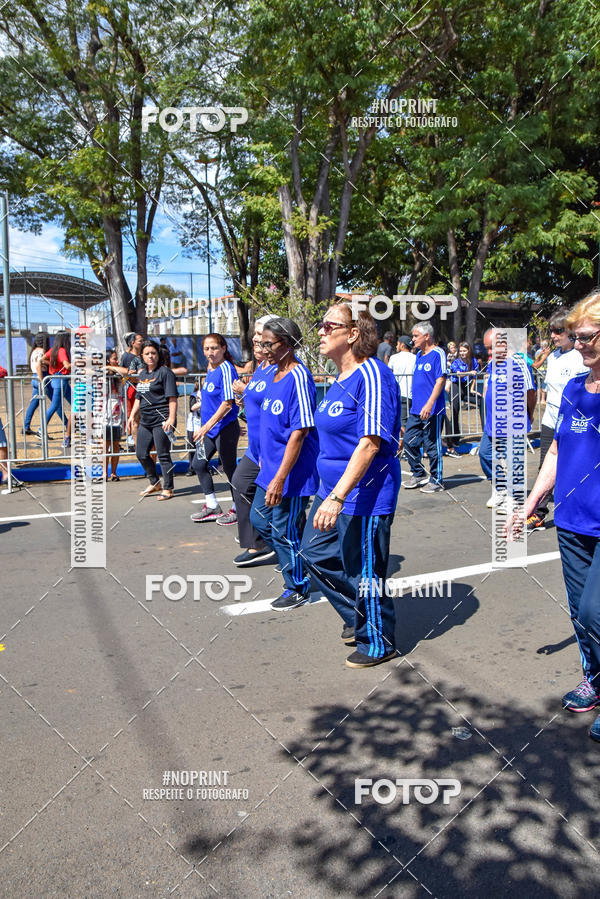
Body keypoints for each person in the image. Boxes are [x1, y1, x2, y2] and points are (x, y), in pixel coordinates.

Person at [519, 290, 600, 741]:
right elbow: (555, 449)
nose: (579, 343)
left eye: (587, 335)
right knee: (579, 612)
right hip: (571, 520)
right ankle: (595, 678)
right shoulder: (572, 387)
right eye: (576, 335)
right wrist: (531, 505)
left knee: (596, 609)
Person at [301, 301, 401, 667]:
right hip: (330, 490)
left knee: (365, 570)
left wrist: (338, 497)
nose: (321, 332)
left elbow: (370, 442)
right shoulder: (337, 379)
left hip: (363, 493)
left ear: (354, 334)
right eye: (321, 325)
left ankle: (378, 639)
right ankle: (358, 613)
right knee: (313, 555)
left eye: (329, 326)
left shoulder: (371, 374)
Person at [249, 318, 319, 609]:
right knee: (258, 519)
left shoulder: (299, 377)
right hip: (270, 469)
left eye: (269, 343)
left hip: (290, 474)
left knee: (282, 530)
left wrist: (279, 477)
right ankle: (299, 558)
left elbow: (299, 431)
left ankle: (298, 586)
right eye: (262, 343)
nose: (263, 349)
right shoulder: (273, 373)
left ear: (288, 344)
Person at [526, 310, 588, 530]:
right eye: (551, 331)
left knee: (575, 467)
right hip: (551, 420)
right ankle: (538, 513)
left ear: (571, 332)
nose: (553, 335)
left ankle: (579, 510)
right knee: (545, 466)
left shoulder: (581, 357)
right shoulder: (553, 356)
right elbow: (538, 371)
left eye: (558, 331)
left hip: (574, 422)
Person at [230, 315, 277, 566]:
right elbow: (258, 400)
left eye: (262, 333)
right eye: (255, 334)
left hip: (272, 449)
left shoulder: (281, 367)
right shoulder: (260, 367)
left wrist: (244, 391)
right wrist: (243, 402)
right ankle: (257, 543)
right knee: (239, 483)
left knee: (272, 507)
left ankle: (284, 546)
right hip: (255, 447)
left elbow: (275, 399)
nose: (257, 338)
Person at [479, 328, 536, 508]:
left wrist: (530, 414)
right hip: (493, 422)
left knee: (512, 460)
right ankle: (500, 488)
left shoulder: (518, 362)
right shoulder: (492, 363)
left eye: (491, 348)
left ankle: (514, 496)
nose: (489, 353)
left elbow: (530, 392)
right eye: (486, 349)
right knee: (485, 454)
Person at [190, 333, 240, 524]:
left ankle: (238, 508)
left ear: (224, 349)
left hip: (224, 428)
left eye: (214, 348)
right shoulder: (210, 369)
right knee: (198, 464)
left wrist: (206, 426)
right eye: (206, 349)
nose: (210, 352)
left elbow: (228, 403)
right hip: (210, 429)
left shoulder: (226, 368)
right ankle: (212, 505)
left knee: (230, 469)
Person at [129, 339, 177, 500]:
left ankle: (168, 488)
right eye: (147, 354)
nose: (151, 356)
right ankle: (154, 482)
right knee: (141, 453)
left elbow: (172, 398)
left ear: (158, 354)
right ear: (142, 356)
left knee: (163, 455)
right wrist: (131, 416)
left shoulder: (165, 372)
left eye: (153, 353)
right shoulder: (142, 374)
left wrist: (171, 418)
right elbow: (138, 397)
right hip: (146, 420)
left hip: (162, 419)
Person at [402, 322, 447, 492]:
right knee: (409, 440)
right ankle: (419, 473)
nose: (412, 339)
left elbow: (440, 380)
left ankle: (437, 479)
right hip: (416, 408)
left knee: (431, 445)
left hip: (432, 410)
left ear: (427, 336)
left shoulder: (438, 353)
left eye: (415, 336)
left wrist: (429, 403)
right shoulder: (419, 355)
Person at [39, 331, 72, 447]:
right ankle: (41, 428)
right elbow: (67, 365)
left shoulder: (53, 349)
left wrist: (53, 363)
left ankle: (81, 426)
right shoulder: (62, 350)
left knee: (75, 403)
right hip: (60, 379)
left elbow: (42, 359)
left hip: (58, 379)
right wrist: (80, 363)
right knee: (54, 406)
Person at [445, 342, 478, 456]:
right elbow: (459, 375)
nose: (463, 353)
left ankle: (487, 434)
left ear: (469, 351)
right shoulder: (456, 362)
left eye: (465, 351)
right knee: (454, 412)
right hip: (455, 386)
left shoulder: (473, 361)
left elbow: (474, 376)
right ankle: (452, 440)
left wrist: (472, 389)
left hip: (466, 387)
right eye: (461, 351)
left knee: (482, 402)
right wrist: (469, 372)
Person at [23, 332, 52, 437]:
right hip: (41, 377)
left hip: (34, 377)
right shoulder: (42, 352)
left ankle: (26, 426)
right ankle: (67, 425)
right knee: (55, 404)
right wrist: (42, 381)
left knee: (34, 404)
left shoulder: (33, 351)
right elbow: (40, 366)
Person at [104, 349, 125, 481]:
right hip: (104, 413)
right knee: (105, 444)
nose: (117, 360)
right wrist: (106, 368)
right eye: (113, 358)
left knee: (116, 444)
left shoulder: (118, 373)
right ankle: (104, 473)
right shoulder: (102, 373)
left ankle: (114, 472)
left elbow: (127, 371)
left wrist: (112, 367)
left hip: (117, 413)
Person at [121, 332, 144, 448]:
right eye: (140, 340)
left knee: (139, 418)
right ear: (132, 343)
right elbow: (126, 374)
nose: (142, 342)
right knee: (134, 418)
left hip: (142, 389)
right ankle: (133, 442)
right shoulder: (127, 356)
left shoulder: (142, 356)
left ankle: (137, 441)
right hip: (132, 390)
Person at [388, 335, 415, 434]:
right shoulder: (415, 358)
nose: (396, 346)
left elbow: (389, 374)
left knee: (401, 423)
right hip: (411, 394)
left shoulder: (394, 358)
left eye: (397, 344)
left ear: (402, 345)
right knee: (408, 421)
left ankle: (401, 446)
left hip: (399, 393)